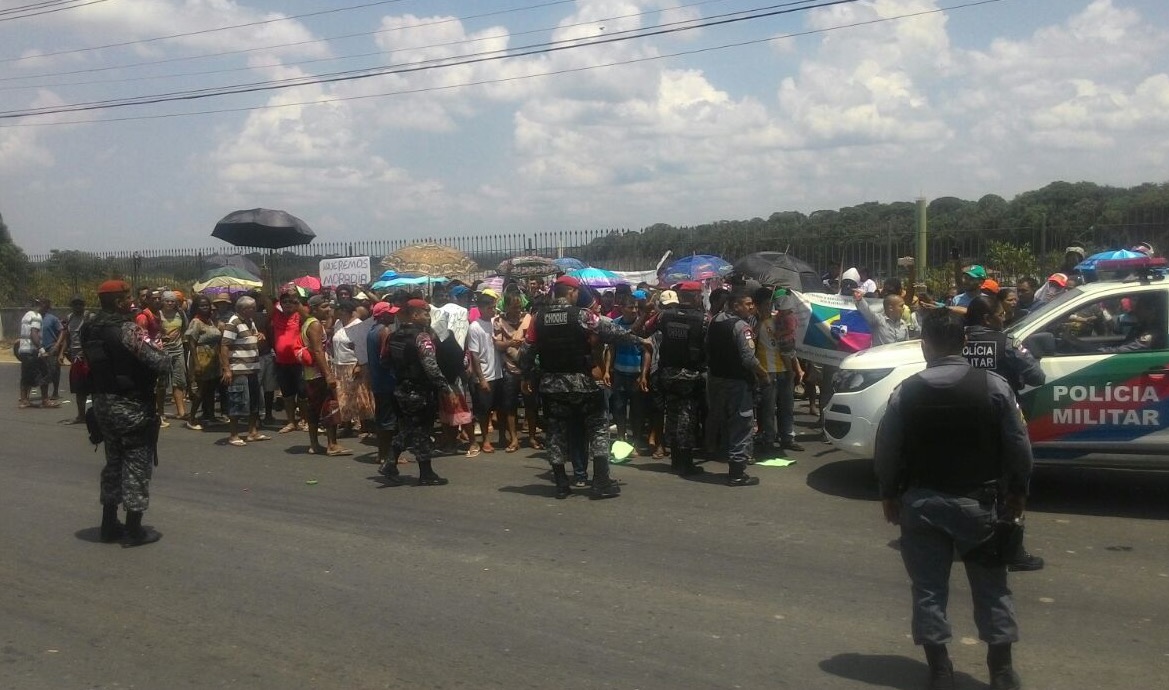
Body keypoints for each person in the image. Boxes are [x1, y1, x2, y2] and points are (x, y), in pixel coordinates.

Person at [875, 309, 1032, 690]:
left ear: (924, 346)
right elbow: (1019, 446)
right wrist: (1018, 492)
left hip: (921, 503)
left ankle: (940, 670)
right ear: (965, 343)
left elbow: (887, 449)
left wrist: (889, 493)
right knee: (992, 588)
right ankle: (1001, 671)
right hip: (979, 505)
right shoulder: (994, 386)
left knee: (928, 590)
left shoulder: (906, 391)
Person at [521, 275, 650, 499]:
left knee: (555, 434)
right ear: (572, 292)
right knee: (598, 428)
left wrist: (526, 376)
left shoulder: (538, 318)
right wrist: (639, 340)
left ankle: (561, 484)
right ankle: (601, 482)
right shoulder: (582, 315)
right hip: (582, 383)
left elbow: (526, 351)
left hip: (552, 386)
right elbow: (612, 331)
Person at [81, 280, 171, 546]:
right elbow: (160, 362)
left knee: (113, 463)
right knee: (136, 465)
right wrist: (162, 349)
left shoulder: (89, 328)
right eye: (128, 297)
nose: (131, 301)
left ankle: (108, 525)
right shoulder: (127, 329)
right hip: (131, 406)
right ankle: (134, 529)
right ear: (119, 302)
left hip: (102, 404)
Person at [382, 298, 456, 486]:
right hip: (420, 391)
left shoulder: (393, 336)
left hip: (401, 388)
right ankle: (426, 473)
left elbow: (385, 361)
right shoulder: (421, 337)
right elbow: (431, 366)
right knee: (422, 431)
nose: (429, 317)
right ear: (415, 315)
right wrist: (446, 388)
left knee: (408, 428)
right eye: (425, 313)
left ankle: (390, 463)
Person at [706, 288, 769, 486]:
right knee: (741, 424)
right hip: (737, 382)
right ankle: (737, 472)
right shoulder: (742, 327)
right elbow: (749, 359)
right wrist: (764, 374)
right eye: (748, 304)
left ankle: (717, 451)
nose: (751, 307)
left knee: (721, 419)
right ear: (736, 306)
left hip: (716, 379)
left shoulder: (715, 321)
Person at [644, 283, 708, 475]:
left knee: (672, 414)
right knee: (687, 417)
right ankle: (685, 462)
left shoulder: (664, 316)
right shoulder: (703, 319)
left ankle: (675, 459)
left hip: (668, 372)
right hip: (691, 374)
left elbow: (645, 329)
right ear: (695, 297)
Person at [300, 294, 349, 456]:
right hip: (319, 373)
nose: (328, 309)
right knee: (330, 406)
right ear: (314, 309)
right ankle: (332, 445)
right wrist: (328, 374)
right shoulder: (314, 325)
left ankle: (314, 444)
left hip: (312, 374)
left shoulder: (309, 322)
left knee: (314, 408)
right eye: (324, 307)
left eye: (328, 305)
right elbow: (317, 351)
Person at [219, 296, 268, 446]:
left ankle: (252, 431)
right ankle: (234, 434)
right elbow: (225, 346)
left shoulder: (250, 321)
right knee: (237, 401)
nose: (254, 310)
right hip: (238, 369)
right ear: (242, 309)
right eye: (251, 308)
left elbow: (252, 338)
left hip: (252, 367)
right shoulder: (233, 323)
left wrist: (259, 336)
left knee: (254, 401)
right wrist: (227, 369)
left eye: (254, 307)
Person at [493, 292, 531, 452]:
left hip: (527, 367)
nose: (517, 310)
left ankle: (532, 437)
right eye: (514, 307)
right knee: (509, 405)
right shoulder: (498, 321)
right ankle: (514, 438)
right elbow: (497, 344)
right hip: (508, 368)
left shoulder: (527, 318)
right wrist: (510, 343)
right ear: (507, 306)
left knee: (531, 404)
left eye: (519, 307)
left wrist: (525, 342)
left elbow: (533, 339)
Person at [467, 289, 503, 454]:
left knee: (499, 408)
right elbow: (474, 355)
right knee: (484, 410)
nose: (493, 310)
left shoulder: (495, 323)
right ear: (481, 308)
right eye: (490, 307)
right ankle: (485, 440)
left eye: (494, 307)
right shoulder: (475, 327)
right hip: (485, 375)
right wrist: (481, 379)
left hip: (498, 372)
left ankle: (501, 437)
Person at [367, 300, 400, 468]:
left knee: (381, 418)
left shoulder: (372, 331)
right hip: (387, 381)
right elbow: (386, 358)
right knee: (389, 420)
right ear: (382, 316)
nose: (393, 315)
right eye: (390, 313)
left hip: (377, 380)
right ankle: (386, 456)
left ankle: (382, 454)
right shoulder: (385, 331)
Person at [184, 295, 222, 430]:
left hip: (213, 359)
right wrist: (196, 363)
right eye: (202, 305)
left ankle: (210, 416)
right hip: (201, 357)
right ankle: (191, 418)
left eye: (207, 305)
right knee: (201, 389)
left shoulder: (210, 321)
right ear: (196, 307)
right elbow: (191, 343)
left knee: (211, 389)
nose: (205, 307)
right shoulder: (196, 322)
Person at [272, 285, 306, 434]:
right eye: (284, 302)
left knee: (303, 393)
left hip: (299, 362)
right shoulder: (276, 315)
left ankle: (304, 420)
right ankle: (291, 422)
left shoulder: (299, 316)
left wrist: (294, 296)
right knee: (287, 394)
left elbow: (306, 314)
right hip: (282, 363)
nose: (288, 304)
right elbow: (266, 299)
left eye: (290, 302)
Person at [58, 296, 93, 424]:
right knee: (79, 389)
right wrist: (61, 353)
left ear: (84, 305)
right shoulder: (70, 318)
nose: (78, 307)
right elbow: (68, 338)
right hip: (75, 358)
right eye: (75, 304)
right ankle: (81, 416)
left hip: (88, 358)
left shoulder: (89, 317)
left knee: (94, 388)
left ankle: (97, 415)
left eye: (80, 304)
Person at [156, 291, 188, 426]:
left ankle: (181, 411)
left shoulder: (180, 314)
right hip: (162, 352)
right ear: (162, 302)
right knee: (162, 383)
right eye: (167, 301)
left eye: (172, 301)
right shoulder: (158, 315)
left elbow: (185, 328)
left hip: (178, 350)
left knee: (179, 381)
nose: (170, 303)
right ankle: (160, 412)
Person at [17, 298, 49, 408]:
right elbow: (34, 334)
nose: (46, 312)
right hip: (32, 350)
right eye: (47, 308)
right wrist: (42, 350)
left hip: (24, 350)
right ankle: (45, 400)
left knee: (25, 375)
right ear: (42, 306)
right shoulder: (37, 316)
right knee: (44, 373)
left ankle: (24, 400)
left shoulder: (27, 315)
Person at [39, 298, 64, 402]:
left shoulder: (52, 319)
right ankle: (43, 395)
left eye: (43, 304)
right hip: (39, 348)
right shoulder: (35, 318)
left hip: (51, 347)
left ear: (47, 306)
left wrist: (57, 345)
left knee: (54, 370)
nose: (41, 306)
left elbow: (62, 331)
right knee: (41, 371)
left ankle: (55, 392)